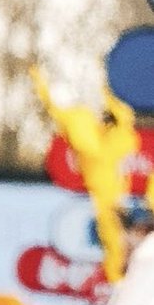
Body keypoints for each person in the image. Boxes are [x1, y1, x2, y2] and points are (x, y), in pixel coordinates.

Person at [30, 65, 139, 282]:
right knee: (112, 237)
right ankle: (117, 278)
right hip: (106, 193)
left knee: (115, 237)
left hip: (110, 193)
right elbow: (57, 110)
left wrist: (106, 86)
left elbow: (122, 117)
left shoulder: (114, 135)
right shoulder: (90, 128)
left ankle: (118, 277)